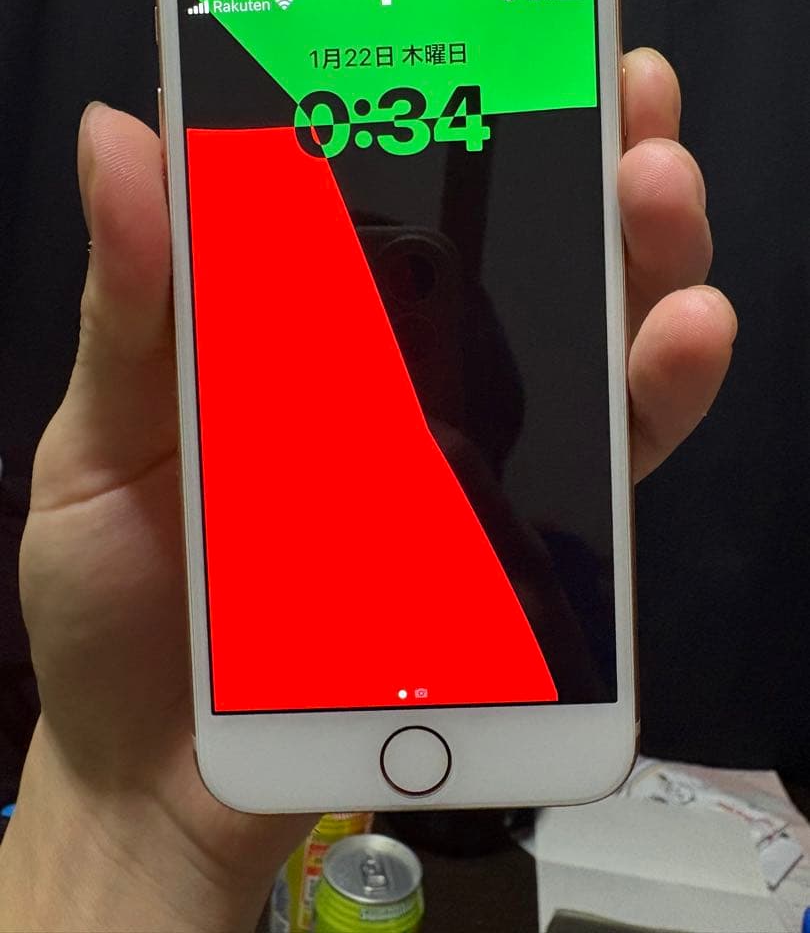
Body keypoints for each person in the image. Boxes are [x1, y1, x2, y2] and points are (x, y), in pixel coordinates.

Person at [0, 47, 736, 932]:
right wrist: (114, 817)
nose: (383, 362)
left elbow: (561, 665)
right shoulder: (240, 538)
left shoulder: (525, 539)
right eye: (345, 341)